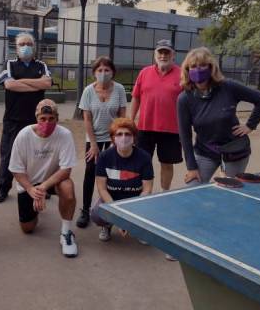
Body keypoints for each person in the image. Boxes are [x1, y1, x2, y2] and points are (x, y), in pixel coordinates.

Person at [177, 47, 260, 186]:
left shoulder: (228, 87)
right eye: (193, 66)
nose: (198, 69)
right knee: (192, 187)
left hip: (235, 150)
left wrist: (250, 125)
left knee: (229, 191)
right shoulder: (184, 99)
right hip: (205, 152)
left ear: (211, 67)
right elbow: (184, 135)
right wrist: (191, 167)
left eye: (202, 65)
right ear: (187, 70)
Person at [9, 99, 79, 258]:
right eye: (43, 118)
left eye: (51, 119)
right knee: (28, 228)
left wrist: (43, 187)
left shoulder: (65, 134)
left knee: (68, 188)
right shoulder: (24, 135)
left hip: (52, 181)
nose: (47, 122)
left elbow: (66, 169)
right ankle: (36, 206)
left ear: (57, 118)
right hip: (29, 183)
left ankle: (66, 233)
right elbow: (16, 169)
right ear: (36, 118)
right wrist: (31, 189)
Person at [0, 33, 52, 203]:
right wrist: (35, 83)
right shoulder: (9, 64)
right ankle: (2, 188)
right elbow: (9, 85)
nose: (25, 46)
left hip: (37, 120)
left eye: (29, 43)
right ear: (16, 47)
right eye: (22, 44)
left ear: (34, 47)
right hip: (13, 119)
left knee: (39, 155)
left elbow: (47, 83)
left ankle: (40, 187)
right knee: (8, 154)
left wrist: (21, 83)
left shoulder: (41, 65)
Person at [76, 56, 126, 228]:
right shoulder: (88, 91)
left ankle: (110, 208)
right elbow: (87, 120)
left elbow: (121, 117)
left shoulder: (119, 89)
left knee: (112, 174)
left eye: (107, 70)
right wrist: (94, 144)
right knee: (90, 171)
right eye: (99, 70)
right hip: (94, 138)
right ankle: (85, 210)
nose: (103, 73)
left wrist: (116, 142)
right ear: (94, 73)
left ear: (112, 72)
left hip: (114, 138)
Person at [130, 39, 183, 192]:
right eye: (160, 52)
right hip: (145, 127)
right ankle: (146, 192)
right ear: (155, 54)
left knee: (167, 163)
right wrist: (131, 120)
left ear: (173, 55)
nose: (163, 55)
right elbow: (136, 97)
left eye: (167, 52)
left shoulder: (182, 74)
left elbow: (188, 102)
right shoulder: (144, 73)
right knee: (143, 162)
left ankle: (164, 194)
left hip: (171, 129)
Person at [91, 118, 154, 243]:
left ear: (134, 137)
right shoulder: (104, 157)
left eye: (128, 134)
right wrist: (117, 215)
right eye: (119, 134)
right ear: (113, 138)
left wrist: (129, 216)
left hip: (135, 201)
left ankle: (138, 229)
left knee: (153, 214)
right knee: (97, 214)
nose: (123, 138)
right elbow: (102, 189)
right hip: (112, 200)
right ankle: (107, 225)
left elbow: (147, 189)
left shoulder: (144, 158)